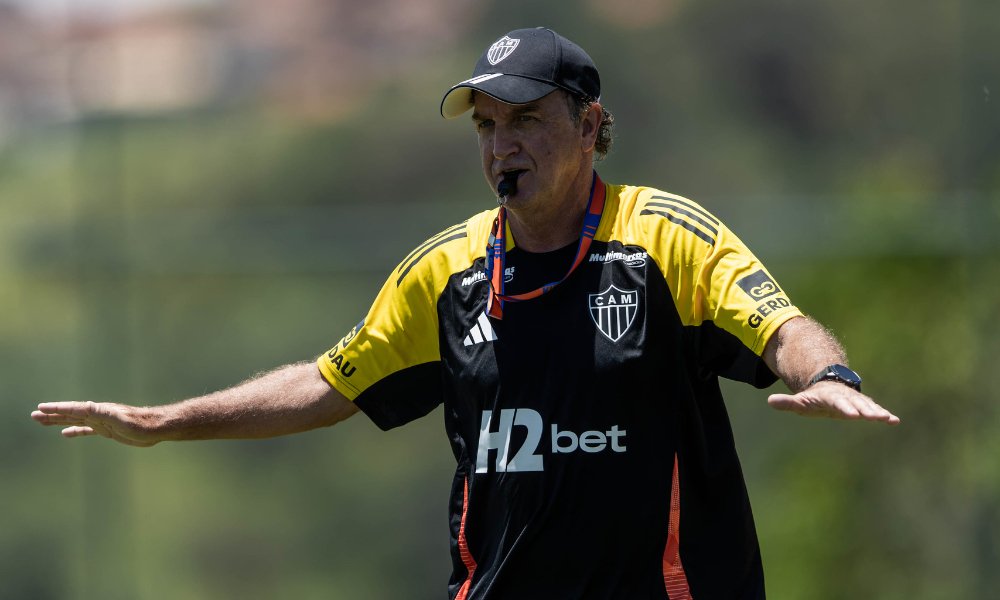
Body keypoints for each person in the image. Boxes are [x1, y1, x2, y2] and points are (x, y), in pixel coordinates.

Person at [32, 27, 899, 599]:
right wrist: (168, 421)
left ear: (591, 124)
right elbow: (330, 385)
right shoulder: (443, 272)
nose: (500, 146)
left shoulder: (665, 241)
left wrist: (826, 375)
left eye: (525, 120)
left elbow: (780, 323)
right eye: (486, 125)